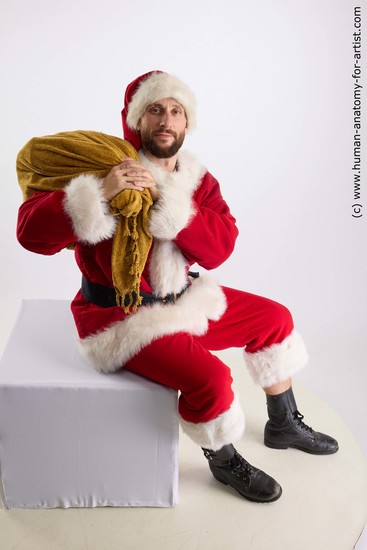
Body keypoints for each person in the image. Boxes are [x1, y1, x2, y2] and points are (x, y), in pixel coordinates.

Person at [17, 70, 338, 504]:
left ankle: (282, 424)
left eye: (175, 111)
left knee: (276, 319)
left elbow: (221, 247)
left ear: (187, 124)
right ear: (136, 121)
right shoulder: (105, 167)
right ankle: (223, 458)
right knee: (211, 379)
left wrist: (175, 208)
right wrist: (101, 193)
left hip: (182, 297)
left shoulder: (195, 178)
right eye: (154, 110)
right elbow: (30, 235)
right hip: (121, 316)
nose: (166, 120)